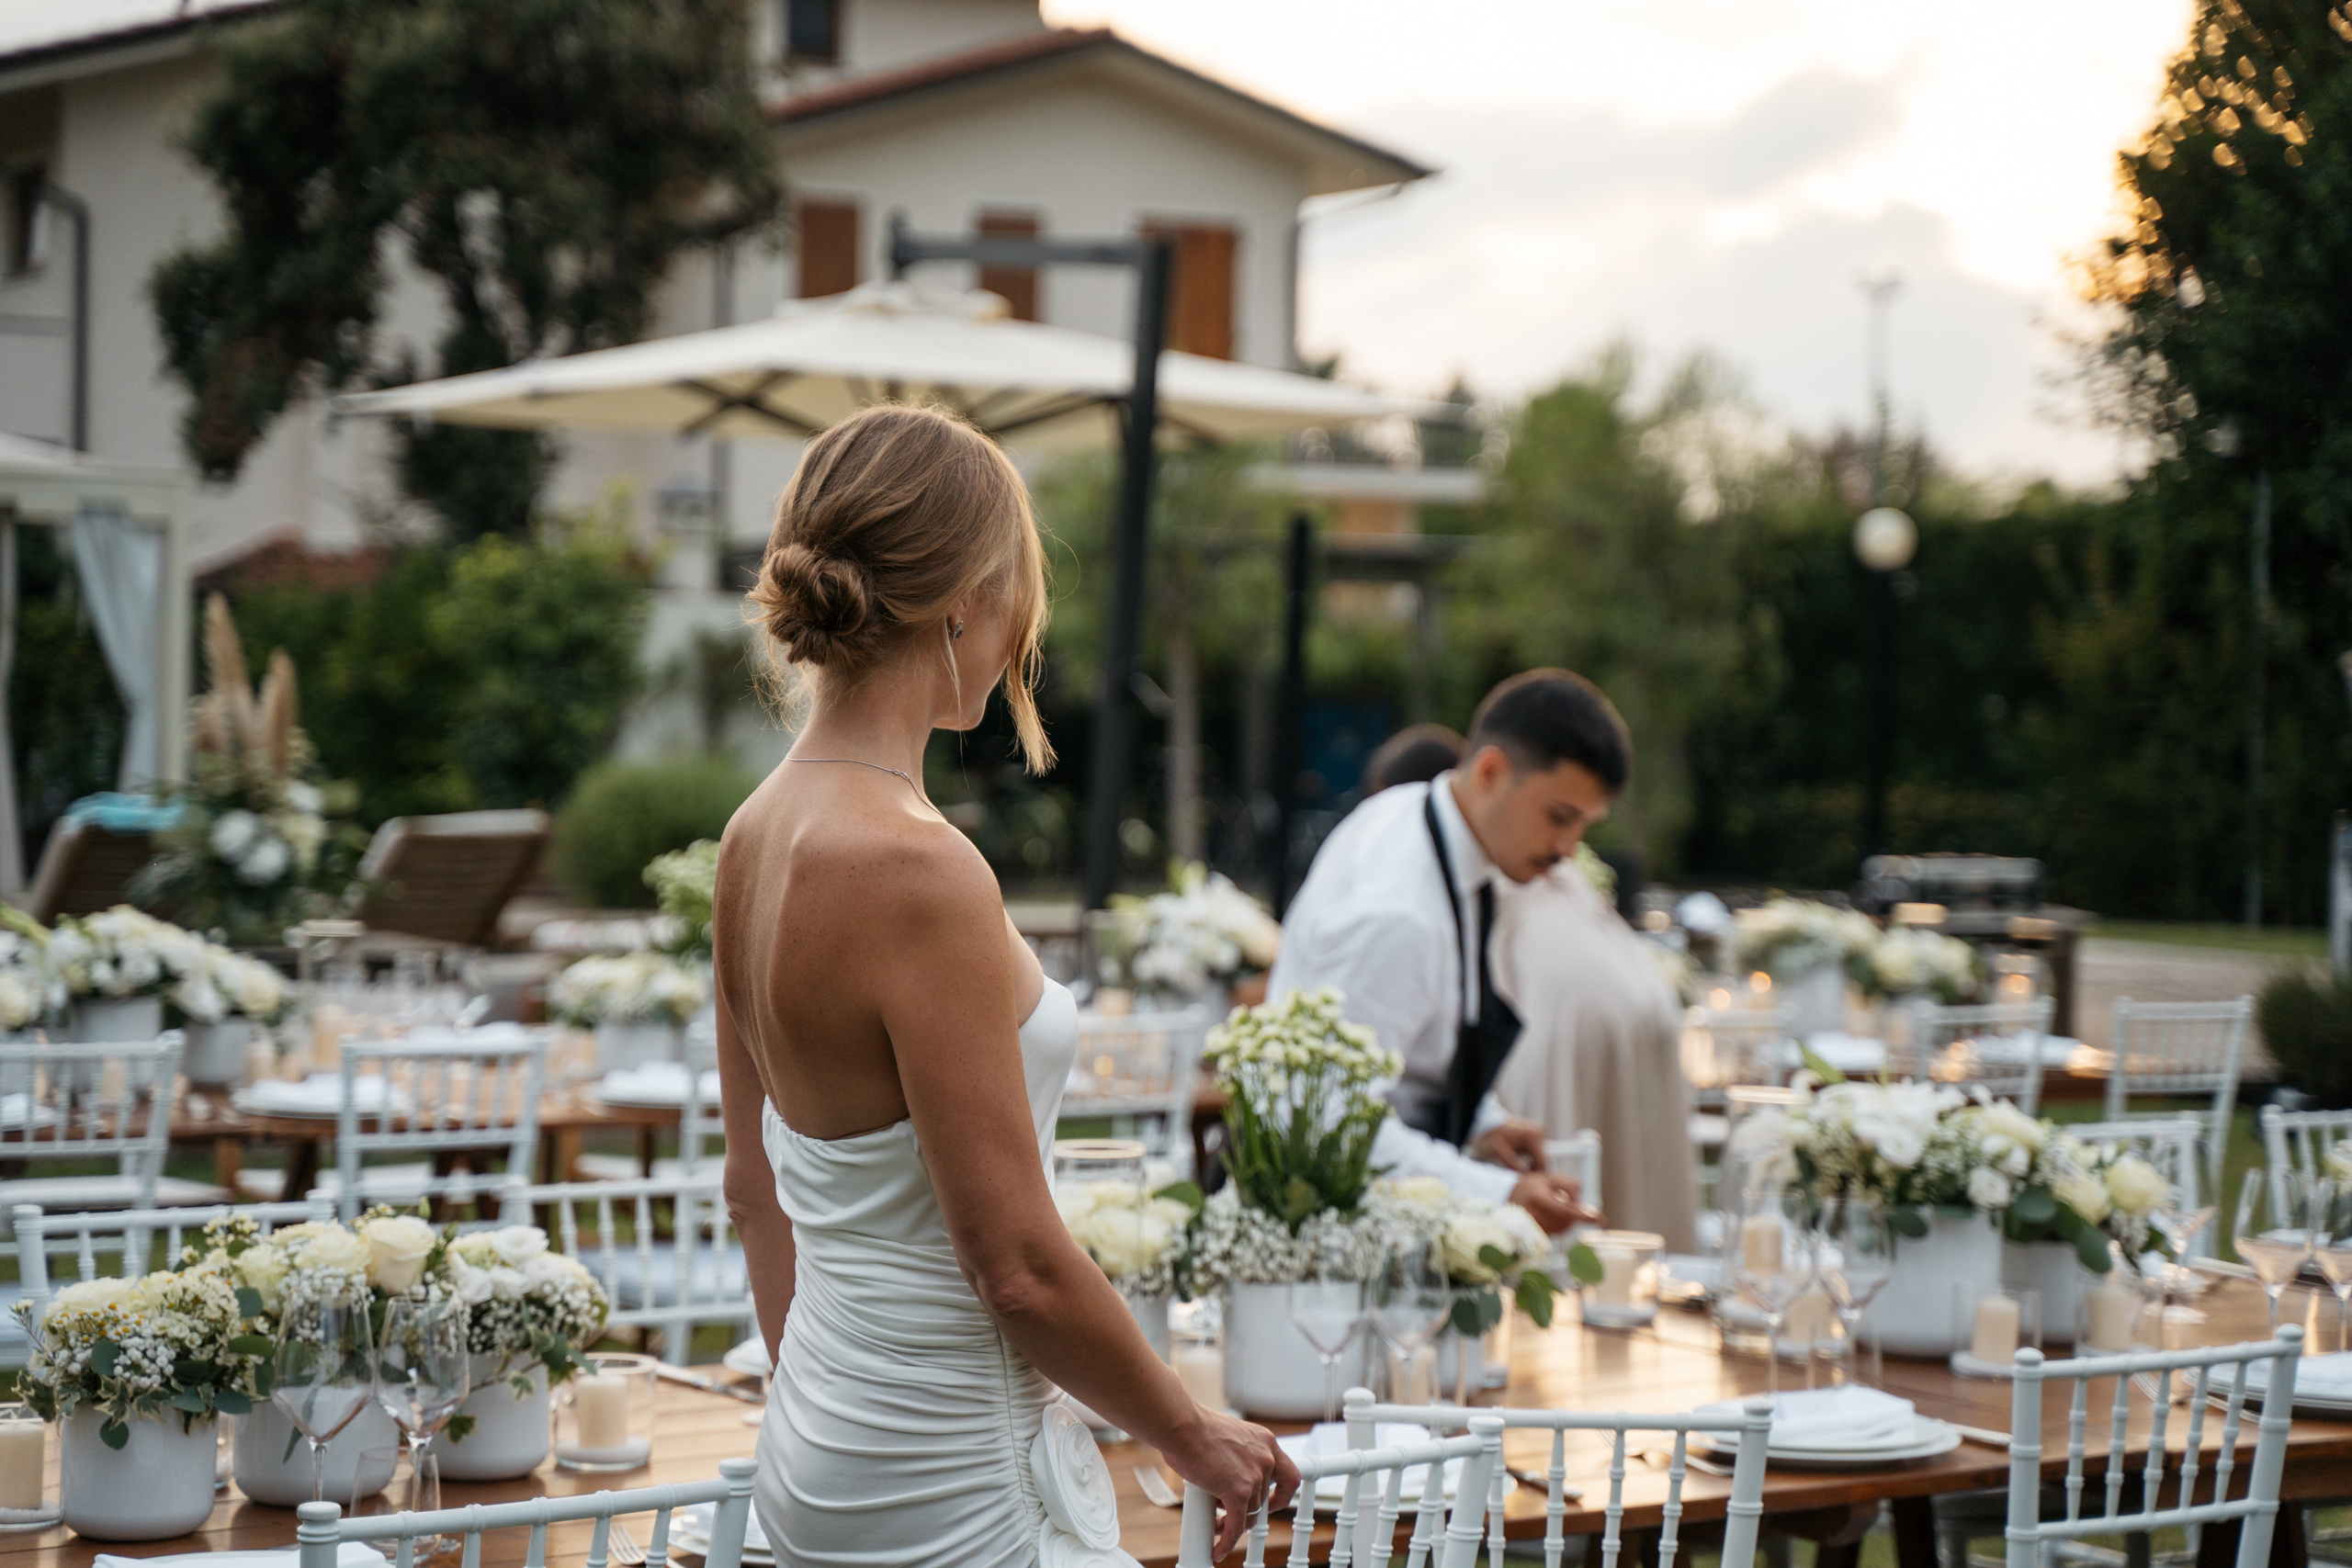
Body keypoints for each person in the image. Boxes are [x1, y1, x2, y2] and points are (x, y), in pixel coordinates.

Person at [713, 405, 1295, 1568]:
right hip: (950, 1475)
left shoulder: (751, 836)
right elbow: (1017, 1269)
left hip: (818, 1450)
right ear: (964, 599)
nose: (1024, 634)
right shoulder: (919, 870)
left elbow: (753, 1193)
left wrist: (824, 1409)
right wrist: (1191, 1433)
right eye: (1021, 595)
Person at [1267, 671, 1628, 1228]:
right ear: (1490, 772)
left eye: (1583, 825)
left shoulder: (1427, 815)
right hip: (1319, 1236)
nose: (1568, 848)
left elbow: (1415, 1046)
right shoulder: (1397, 912)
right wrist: (1500, 1193)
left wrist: (1484, 1122)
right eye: (1559, 816)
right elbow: (1326, 1132)